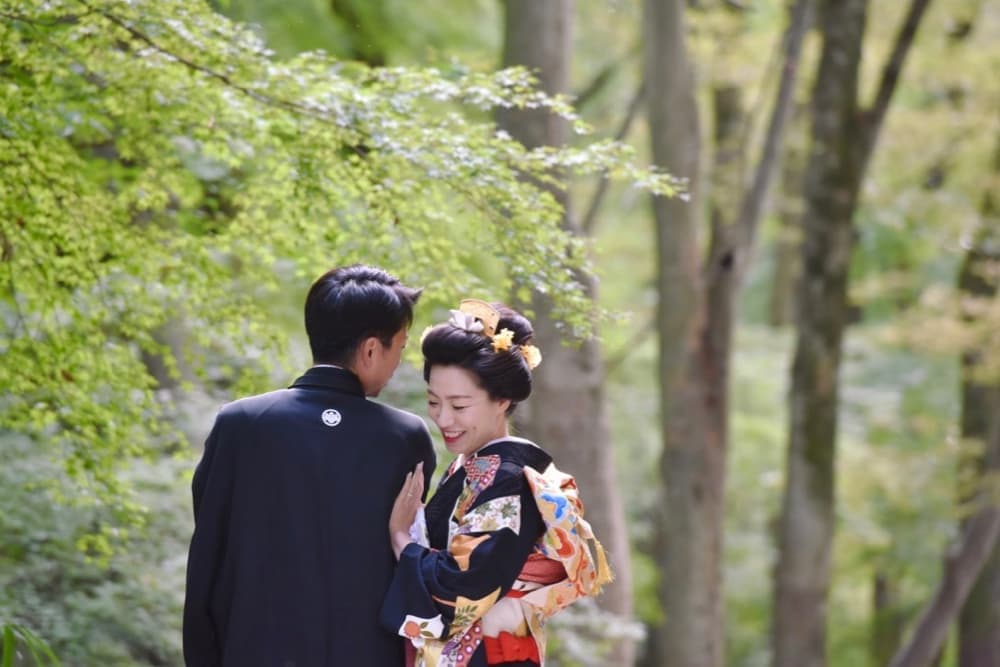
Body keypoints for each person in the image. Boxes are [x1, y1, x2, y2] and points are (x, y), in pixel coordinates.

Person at [183, 264, 436, 667]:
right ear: (372, 349)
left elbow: (207, 560)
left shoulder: (241, 425)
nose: (397, 363)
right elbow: (413, 559)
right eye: (399, 349)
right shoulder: (403, 438)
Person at [381, 299, 612, 667]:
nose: (443, 419)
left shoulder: (505, 476)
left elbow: (462, 588)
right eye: (433, 401)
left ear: (502, 399)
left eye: (459, 406)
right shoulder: (473, 467)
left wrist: (401, 539)